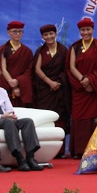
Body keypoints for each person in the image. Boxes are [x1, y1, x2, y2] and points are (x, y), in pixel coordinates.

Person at [66, 17, 97, 159]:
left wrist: (91, 81)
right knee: (79, 118)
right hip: (80, 88)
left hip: (94, 90)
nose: (85, 32)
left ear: (92, 30)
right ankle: (79, 150)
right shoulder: (75, 47)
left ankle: (94, 148)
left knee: (94, 118)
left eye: (88, 29)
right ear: (79, 31)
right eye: (82, 30)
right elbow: (71, 66)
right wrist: (83, 80)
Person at [33, 24, 70, 158]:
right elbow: (37, 69)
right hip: (45, 89)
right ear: (42, 37)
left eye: (51, 34)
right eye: (45, 35)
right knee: (47, 118)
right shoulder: (40, 51)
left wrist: (58, 82)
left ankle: (60, 151)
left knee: (60, 118)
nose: (49, 37)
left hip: (60, 89)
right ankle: (45, 150)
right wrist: (50, 82)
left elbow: (67, 69)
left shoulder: (63, 50)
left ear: (55, 34)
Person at [0, 20, 34, 108]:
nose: (18, 34)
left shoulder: (27, 51)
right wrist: (13, 85)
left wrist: (18, 81)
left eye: (20, 31)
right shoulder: (3, 49)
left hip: (22, 86)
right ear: (8, 33)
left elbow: (29, 70)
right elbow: (3, 69)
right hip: (7, 85)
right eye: (14, 31)